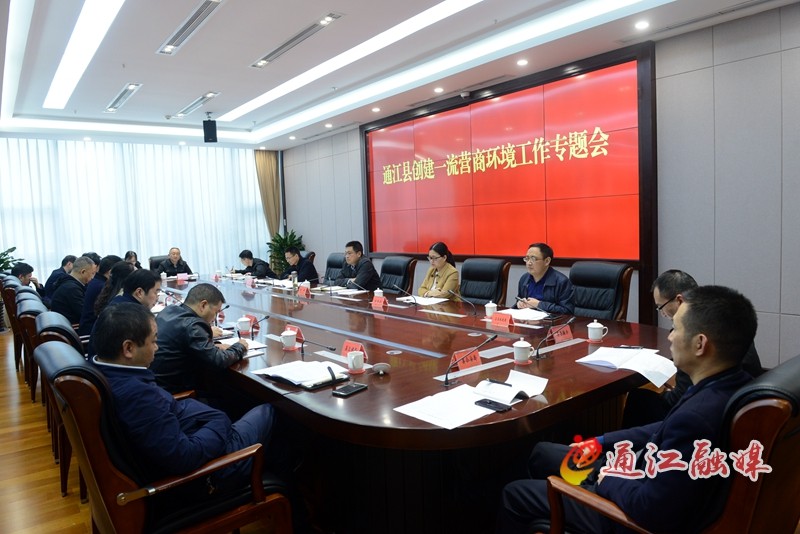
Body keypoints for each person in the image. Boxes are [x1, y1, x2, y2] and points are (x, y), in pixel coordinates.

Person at [497, 285, 758, 534]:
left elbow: (651, 509)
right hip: (640, 471)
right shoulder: (733, 384)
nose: (670, 336)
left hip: (623, 512)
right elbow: (664, 428)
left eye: (676, 329)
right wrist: (601, 441)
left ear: (700, 344)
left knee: (515, 493)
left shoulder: (697, 418)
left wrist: (608, 478)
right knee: (542, 454)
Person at [91, 302, 274, 495]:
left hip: (188, 435)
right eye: (153, 341)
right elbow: (184, 457)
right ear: (128, 348)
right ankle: (278, 493)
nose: (157, 348)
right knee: (270, 411)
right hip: (206, 474)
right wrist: (220, 422)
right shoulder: (138, 396)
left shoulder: (102, 371)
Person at [622, 269, 764, 427]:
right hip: (742, 402)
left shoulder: (696, 334)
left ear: (679, 300)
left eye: (661, 307)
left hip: (716, 411)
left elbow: (678, 402)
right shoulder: (724, 315)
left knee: (639, 399)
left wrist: (668, 393)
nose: (670, 336)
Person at [150, 283, 248, 400]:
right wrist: (240, 347)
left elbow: (184, 343)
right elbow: (218, 361)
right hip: (174, 394)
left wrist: (214, 346)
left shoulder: (169, 311)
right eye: (216, 312)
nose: (215, 318)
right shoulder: (193, 325)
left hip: (155, 386)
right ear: (203, 305)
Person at [86, 267, 161, 358]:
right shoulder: (131, 316)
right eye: (156, 292)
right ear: (139, 292)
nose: (157, 298)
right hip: (111, 364)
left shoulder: (119, 301)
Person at [514, 242, 573, 314]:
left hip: (549, 320)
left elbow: (567, 311)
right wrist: (519, 304)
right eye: (527, 258)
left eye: (533, 259)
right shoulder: (524, 279)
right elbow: (520, 300)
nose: (529, 263)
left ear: (547, 261)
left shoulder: (561, 282)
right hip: (527, 319)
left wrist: (539, 305)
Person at [78, 255, 122, 336]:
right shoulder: (102, 287)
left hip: (89, 327)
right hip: (91, 332)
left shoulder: (96, 281)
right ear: (110, 272)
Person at [50, 255, 95, 324]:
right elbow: (85, 314)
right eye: (92, 273)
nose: (92, 277)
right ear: (83, 272)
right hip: (73, 327)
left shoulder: (67, 283)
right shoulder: (72, 289)